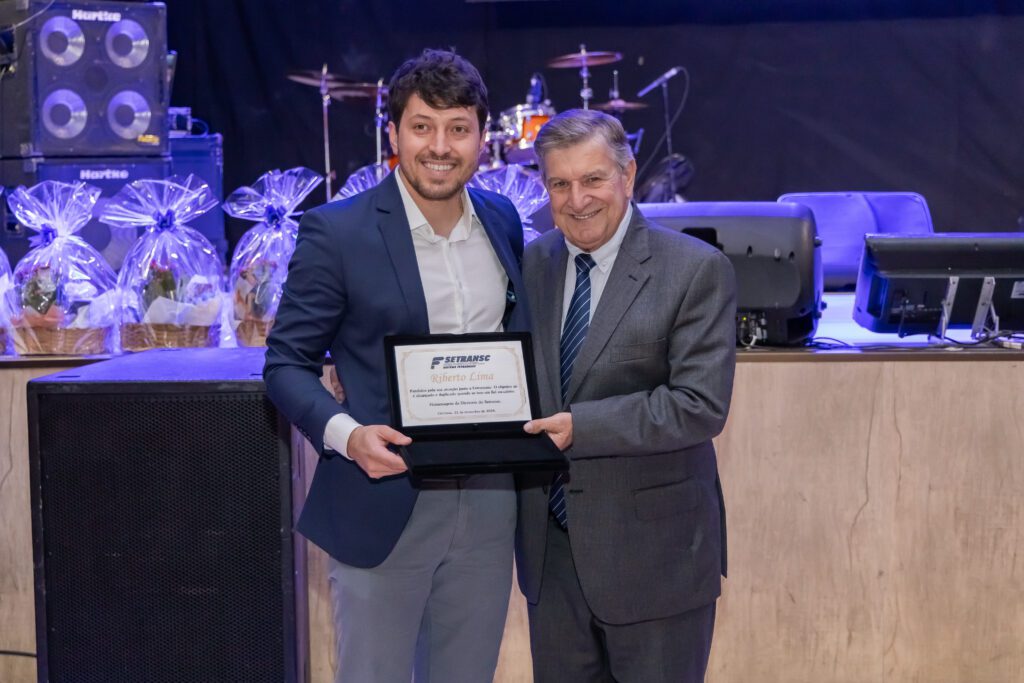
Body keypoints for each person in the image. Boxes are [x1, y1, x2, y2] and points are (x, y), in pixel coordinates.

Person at [264, 49, 530, 682]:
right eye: (422, 127)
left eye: (458, 128)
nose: (439, 146)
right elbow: (285, 364)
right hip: (383, 493)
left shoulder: (503, 220)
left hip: (489, 502)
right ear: (393, 134)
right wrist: (348, 436)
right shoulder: (338, 232)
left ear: (482, 138)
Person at [517, 108, 737, 682]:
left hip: (656, 560)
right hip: (552, 559)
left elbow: (699, 406)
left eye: (593, 179)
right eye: (560, 184)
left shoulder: (695, 269)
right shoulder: (532, 263)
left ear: (628, 175)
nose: (577, 200)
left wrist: (581, 427)